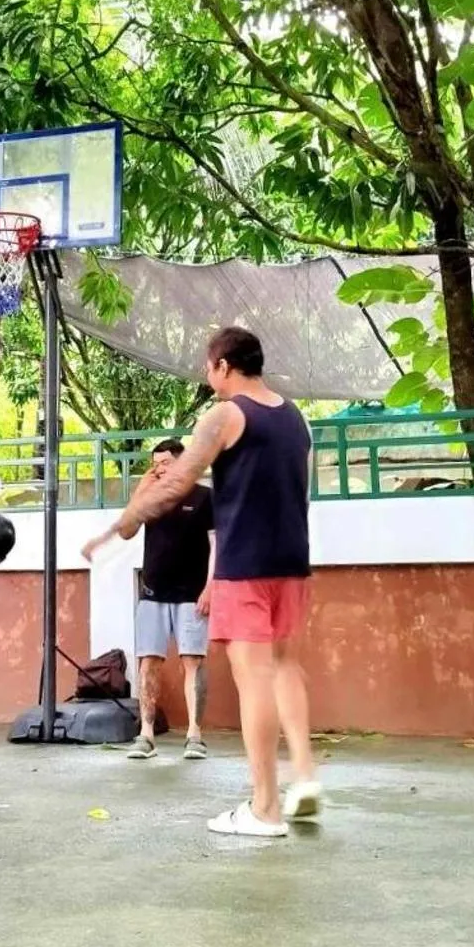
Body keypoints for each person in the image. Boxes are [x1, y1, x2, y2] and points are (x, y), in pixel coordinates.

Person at [112, 327, 315, 837]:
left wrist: (126, 519)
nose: (208, 376)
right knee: (286, 667)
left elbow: (180, 480)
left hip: (245, 566)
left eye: (209, 367)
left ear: (224, 365)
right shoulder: (296, 419)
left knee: (254, 681)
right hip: (292, 560)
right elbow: (301, 491)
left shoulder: (225, 414)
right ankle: (306, 778)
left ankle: (265, 808)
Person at [82, 438, 214, 760]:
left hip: (191, 594)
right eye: (155, 464)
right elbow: (127, 530)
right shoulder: (152, 498)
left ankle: (195, 736)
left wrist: (212, 587)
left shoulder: (205, 497)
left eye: (166, 463)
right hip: (153, 592)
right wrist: (143, 486)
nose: (159, 469)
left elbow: (218, 544)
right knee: (148, 662)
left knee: (192, 662)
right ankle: (146, 735)